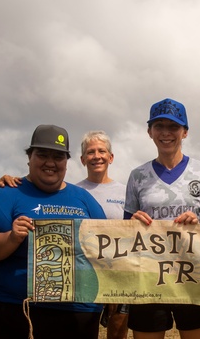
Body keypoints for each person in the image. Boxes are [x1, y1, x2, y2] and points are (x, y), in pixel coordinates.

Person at [0, 124, 107, 339]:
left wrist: (135, 225)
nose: (50, 162)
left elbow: (107, 246)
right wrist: (11, 238)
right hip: (14, 308)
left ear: (66, 162)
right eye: (42, 154)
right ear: (30, 158)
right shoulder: (6, 194)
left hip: (78, 310)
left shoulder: (83, 198)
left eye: (58, 156)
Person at [124, 98, 200, 339]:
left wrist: (197, 226)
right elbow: (124, 234)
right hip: (148, 277)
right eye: (159, 126)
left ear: (185, 132)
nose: (166, 133)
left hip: (193, 275)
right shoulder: (137, 176)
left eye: (173, 127)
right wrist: (132, 223)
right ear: (150, 132)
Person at [76, 130, 128, 339]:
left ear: (111, 157)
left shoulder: (125, 191)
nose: (96, 156)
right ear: (82, 159)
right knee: (84, 329)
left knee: (117, 332)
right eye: (90, 152)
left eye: (101, 151)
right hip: (83, 272)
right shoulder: (73, 191)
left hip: (118, 272)